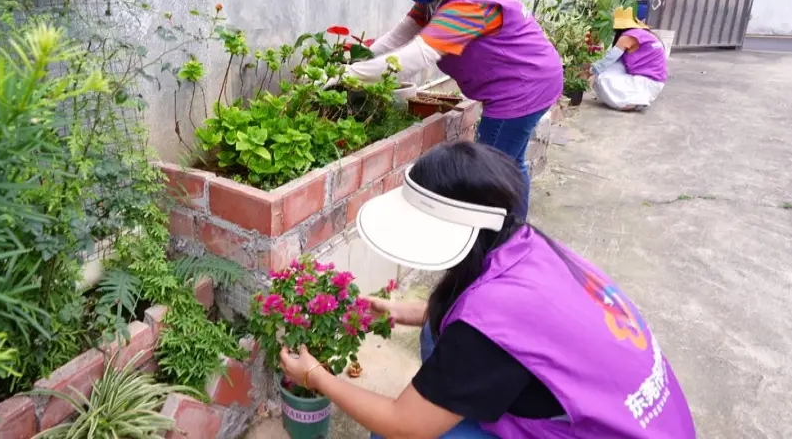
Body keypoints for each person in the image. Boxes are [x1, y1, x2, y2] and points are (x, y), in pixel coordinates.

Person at [278, 142, 696, 439]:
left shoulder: (490, 325)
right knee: (436, 336)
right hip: (637, 417)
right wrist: (403, 310)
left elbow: (404, 425)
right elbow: (517, 329)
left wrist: (315, 376)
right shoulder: (525, 245)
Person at [338, 0, 562, 218]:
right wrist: (358, 58)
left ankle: (498, 233)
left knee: (490, 173)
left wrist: (348, 75)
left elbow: (418, 55)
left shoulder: (469, 5)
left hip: (522, 89)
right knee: (511, 162)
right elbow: (399, 36)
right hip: (534, 78)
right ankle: (516, 227)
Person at [588, 8, 668, 111]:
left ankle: (632, 101)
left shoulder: (628, 36)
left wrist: (591, 71)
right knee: (612, 67)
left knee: (601, 77)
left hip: (646, 82)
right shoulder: (645, 34)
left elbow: (609, 59)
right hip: (655, 83)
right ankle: (636, 98)